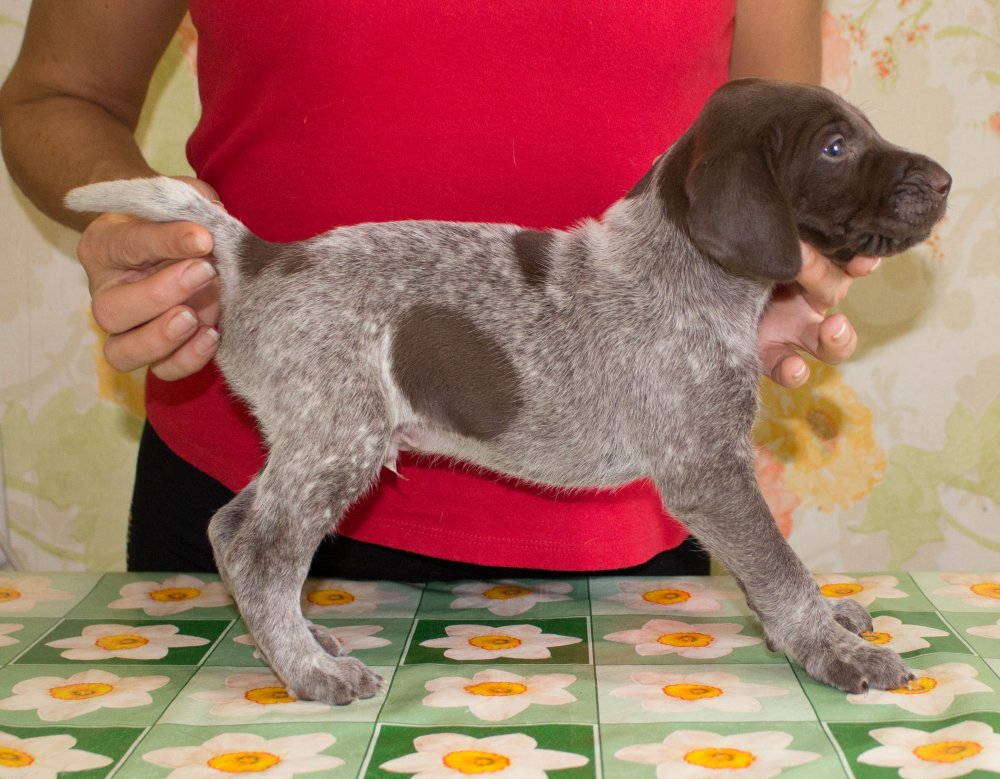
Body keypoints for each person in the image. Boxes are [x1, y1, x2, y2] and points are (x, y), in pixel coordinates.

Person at [0, 1, 878, 580]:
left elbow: (773, 144)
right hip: (251, 457)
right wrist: (149, 237)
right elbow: (59, 94)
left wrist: (770, 277)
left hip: (621, 508)